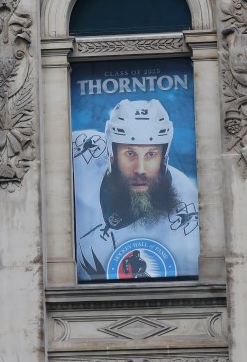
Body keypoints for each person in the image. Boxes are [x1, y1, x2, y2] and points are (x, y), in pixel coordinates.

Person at [73, 98, 199, 281]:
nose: (140, 169)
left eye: (151, 154)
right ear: (111, 154)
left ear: (164, 157)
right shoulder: (80, 150)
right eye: (130, 153)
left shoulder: (186, 203)